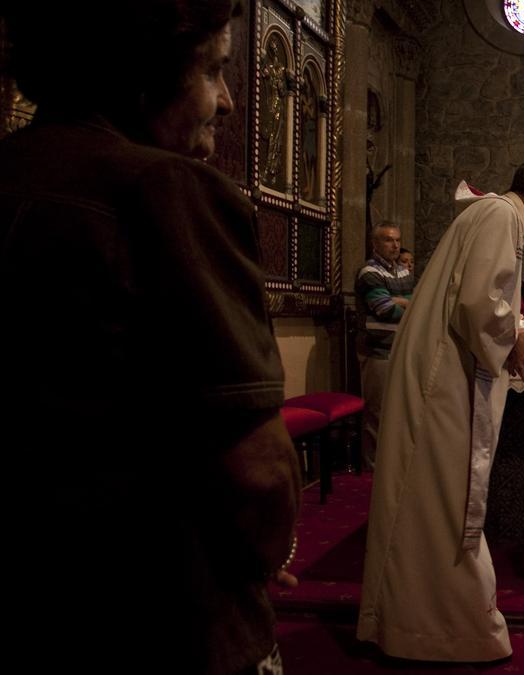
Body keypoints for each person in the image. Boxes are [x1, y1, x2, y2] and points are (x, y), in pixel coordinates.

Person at [0, 2, 302, 673]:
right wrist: (261, 555)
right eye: (215, 72)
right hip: (155, 614)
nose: (225, 103)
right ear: (149, 73)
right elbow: (258, 471)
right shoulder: (165, 189)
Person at [358, 158, 524, 662]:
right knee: (442, 494)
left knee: (430, 495)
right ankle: (439, 628)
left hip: (443, 366)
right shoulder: (501, 217)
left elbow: (480, 297)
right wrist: (515, 339)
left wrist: (512, 328)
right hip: (444, 377)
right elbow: (479, 303)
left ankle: (417, 620)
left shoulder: (494, 215)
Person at [355, 223, 414, 470]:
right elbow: (385, 309)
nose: (395, 245)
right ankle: (374, 466)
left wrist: (401, 300)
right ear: (375, 244)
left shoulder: (403, 272)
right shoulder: (369, 272)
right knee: (377, 412)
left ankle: (393, 464)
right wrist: (404, 303)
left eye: (398, 240)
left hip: (400, 348)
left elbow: (419, 301)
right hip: (378, 349)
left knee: (398, 411)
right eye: (389, 240)